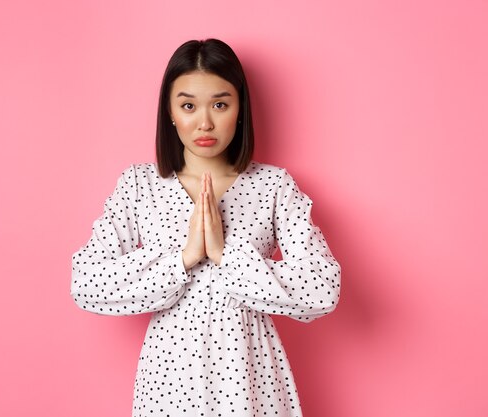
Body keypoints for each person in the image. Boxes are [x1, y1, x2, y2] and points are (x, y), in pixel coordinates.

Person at [70, 38, 341, 417]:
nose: (205, 122)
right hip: (168, 384)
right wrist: (184, 259)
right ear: (170, 111)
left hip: (250, 382)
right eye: (188, 105)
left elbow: (322, 290)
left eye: (220, 104)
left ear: (240, 108)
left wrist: (226, 255)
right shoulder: (139, 185)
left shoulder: (273, 186)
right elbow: (86, 283)